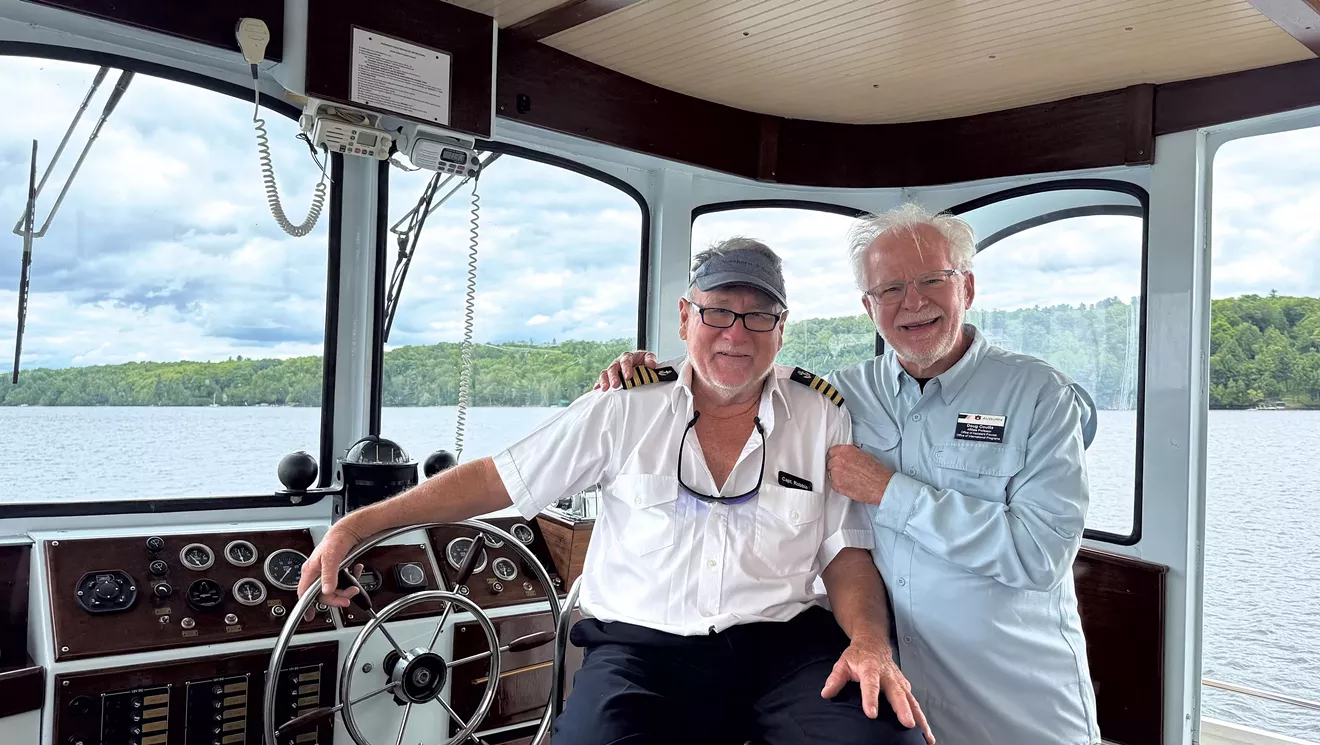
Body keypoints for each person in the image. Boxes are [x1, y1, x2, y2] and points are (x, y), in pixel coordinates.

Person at [300, 237, 934, 745]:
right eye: (717, 311)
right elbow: (501, 477)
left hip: (785, 649)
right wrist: (357, 526)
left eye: (758, 314)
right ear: (686, 318)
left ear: (782, 326)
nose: (736, 333)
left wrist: (869, 642)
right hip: (642, 653)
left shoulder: (821, 414)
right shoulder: (624, 406)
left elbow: (844, 551)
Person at [596, 204, 1100, 745]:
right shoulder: (841, 397)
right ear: (868, 305)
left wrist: (890, 491)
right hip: (888, 686)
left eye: (932, 279)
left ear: (967, 288)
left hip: (1015, 698)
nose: (913, 302)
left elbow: (1040, 555)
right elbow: (740, 374)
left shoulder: (1040, 396)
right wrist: (649, 375)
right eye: (889, 289)